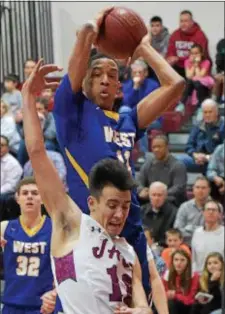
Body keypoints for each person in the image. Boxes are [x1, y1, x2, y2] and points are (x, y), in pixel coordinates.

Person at [52, 7, 184, 311]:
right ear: (83, 82)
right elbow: (78, 61)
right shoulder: (73, 112)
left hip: (130, 227)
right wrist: (90, 30)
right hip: (90, 231)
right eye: (95, 73)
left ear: (120, 87)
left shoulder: (128, 120)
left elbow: (175, 85)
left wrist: (143, 49)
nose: (104, 79)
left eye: (112, 74)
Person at [21, 59, 169, 314]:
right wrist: (27, 97)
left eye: (124, 206)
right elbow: (36, 151)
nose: (120, 214)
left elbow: (142, 302)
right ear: (92, 203)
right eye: (112, 205)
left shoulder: (128, 251)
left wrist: (142, 310)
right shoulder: (71, 224)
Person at [0, 177, 55, 314]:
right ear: (17, 198)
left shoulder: (55, 229)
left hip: (42, 306)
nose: (29, 196)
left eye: (35, 193)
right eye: (25, 193)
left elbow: (67, 269)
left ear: (42, 198)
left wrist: (55, 293)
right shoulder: (4, 227)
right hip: (11, 304)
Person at [137, 134, 187, 207]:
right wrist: (141, 190)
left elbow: (179, 188)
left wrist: (158, 194)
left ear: (167, 147)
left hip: (171, 201)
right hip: (151, 199)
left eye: (159, 147)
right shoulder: (148, 164)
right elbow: (139, 182)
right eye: (154, 147)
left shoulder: (178, 165)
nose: (156, 149)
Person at [178, 98, 225, 173]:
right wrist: (195, 155)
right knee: (177, 161)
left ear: (216, 112)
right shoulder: (198, 125)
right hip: (198, 160)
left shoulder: (223, 125)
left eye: (210, 112)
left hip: (217, 162)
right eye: (205, 112)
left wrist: (207, 158)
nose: (207, 115)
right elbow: (189, 146)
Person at [166, 10, 210, 78]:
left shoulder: (200, 36)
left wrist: (180, 59)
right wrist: (171, 58)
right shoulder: (175, 34)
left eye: (186, 21)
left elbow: (201, 56)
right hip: (178, 66)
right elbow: (170, 51)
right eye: (181, 21)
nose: (183, 24)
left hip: (195, 66)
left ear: (192, 22)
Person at [176, 44, 214, 113]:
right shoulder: (187, 61)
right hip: (192, 82)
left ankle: (200, 106)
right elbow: (188, 76)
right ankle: (182, 104)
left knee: (196, 82)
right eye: (192, 53)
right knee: (190, 81)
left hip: (204, 82)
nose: (194, 55)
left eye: (196, 53)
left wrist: (197, 63)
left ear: (201, 53)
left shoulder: (206, 62)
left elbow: (200, 75)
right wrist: (193, 64)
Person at [174, 176, 211, 246]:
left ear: (209, 190)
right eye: (197, 187)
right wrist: (202, 230)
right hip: (187, 247)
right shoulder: (184, 207)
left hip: (208, 245)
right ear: (193, 189)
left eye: (203, 188)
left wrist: (189, 228)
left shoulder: (215, 207)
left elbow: (216, 231)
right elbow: (177, 231)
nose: (200, 190)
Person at [191, 200, 224, 274]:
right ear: (203, 213)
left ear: (219, 214)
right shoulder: (197, 233)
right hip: (200, 277)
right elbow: (194, 260)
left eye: (214, 210)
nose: (211, 212)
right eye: (208, 209)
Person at [162, 249, 199, 314]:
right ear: (172, 261)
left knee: (171, 303)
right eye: (176, 260)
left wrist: (175, 295)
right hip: (171, 306)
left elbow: (190, 299)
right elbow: (163, 294)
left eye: (182, 260)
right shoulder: (166, 275)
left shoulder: (193, 275)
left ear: (188, 262)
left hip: (187, 307)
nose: (179, 263)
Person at [141, 182, 177, 247]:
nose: (156, 198)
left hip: (165, 247)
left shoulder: (174, 212)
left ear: (165, 196)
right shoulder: (141, 210)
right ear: (149, 195)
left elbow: (174, 235)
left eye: (159, 195)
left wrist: (157, 244)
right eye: (153, 195)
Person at [212, 38, 225, 103]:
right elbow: (218, 63)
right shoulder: (222, 43)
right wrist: (222, 72)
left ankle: (223, 100)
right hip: (221, 72)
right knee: (217, 79)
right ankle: (213, 99)